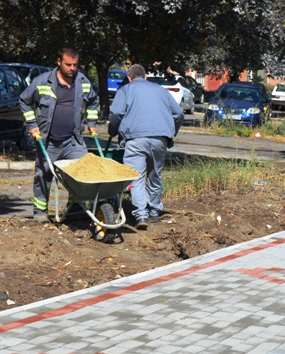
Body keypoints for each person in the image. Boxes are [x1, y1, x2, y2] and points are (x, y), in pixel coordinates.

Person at [20, 46, 99, 223]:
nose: (72, 68)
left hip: (73, 140)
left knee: (81, 171)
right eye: (68, 64)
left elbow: (93, 100)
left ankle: (75, 207)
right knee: (44, 175)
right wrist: (32, 125)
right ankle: (40, 211)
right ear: (59, 62)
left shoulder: (82, 81)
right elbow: (24, 101)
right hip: (48, 140)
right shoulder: (42, 82)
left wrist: (92, 123)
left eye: (75, 65)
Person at [108, 64, 184, 230]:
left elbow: (116, 114)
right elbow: (178, 113)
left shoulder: (125, 90)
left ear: (129, 78)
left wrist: (112, 131)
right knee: (154, 174)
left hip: (135, 138)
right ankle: (154, 210)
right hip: (160, 137)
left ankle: (141, 214)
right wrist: (171, 132)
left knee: (135, 176)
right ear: (145, 77)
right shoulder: (161, 90)